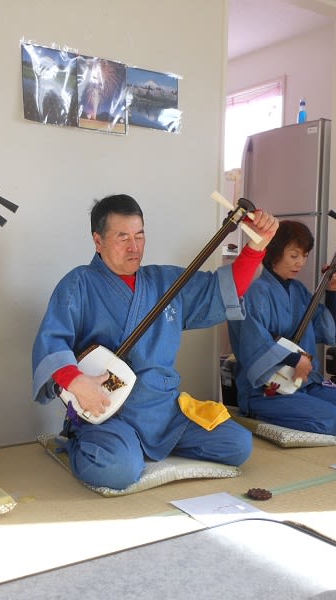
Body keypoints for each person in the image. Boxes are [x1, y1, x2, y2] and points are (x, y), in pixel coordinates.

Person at [31, 194, 278, 490]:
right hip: (112, 412)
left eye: (139, 235)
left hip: (164, 411)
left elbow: (220, 290)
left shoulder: (164, 282)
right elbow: (52, 341)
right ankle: (86, 442)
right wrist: (78, 383)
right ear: (98, 241)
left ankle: (145, 447)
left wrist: (257, 246)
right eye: (122, 237)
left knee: (238, 444)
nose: (134, 247)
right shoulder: (78, 284)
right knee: (117, 470)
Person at [227, 220, 336, 435]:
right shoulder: (255, 292)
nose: (300, 263)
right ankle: (258, 412)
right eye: (294, 255)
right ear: (274, 252)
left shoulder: (299, 290)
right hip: (268, 388)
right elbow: (254, 343)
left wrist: (331, 292)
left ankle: (305, 404)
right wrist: (294, 359)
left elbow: (326, 332)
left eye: (304, 256)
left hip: (304, 382)